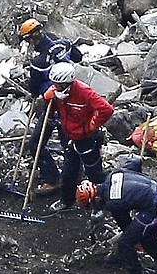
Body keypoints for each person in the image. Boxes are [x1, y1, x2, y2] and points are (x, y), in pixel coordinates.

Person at [75, 158, 157, 274]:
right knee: (147, 238)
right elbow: (136, 162)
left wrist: (131, 241)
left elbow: (125, 225)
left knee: (125, 244)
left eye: (92, 206)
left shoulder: (113, 203)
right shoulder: (112, 175)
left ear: (95, 199)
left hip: (155, 207)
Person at [19, 18, 83, 197]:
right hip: (71, 100)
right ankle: (76, 179)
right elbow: (78, 57)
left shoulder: (38, 62)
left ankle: (55, 179)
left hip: (53, 105)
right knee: (69, 144)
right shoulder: (63, 44)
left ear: (31, 39)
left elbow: (33, 87)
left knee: (36, 143)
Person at [42, 62, 113, 212]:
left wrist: (91, 126)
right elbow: (50, 103)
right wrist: (49, 97)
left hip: (87, 138)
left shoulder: (83, 92)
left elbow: (106, 109)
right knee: (69, 171)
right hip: (71, 137)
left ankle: (103, 202)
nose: (54, 86)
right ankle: (67, 201)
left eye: (57, 84)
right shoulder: (58, 92)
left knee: (94, 172)